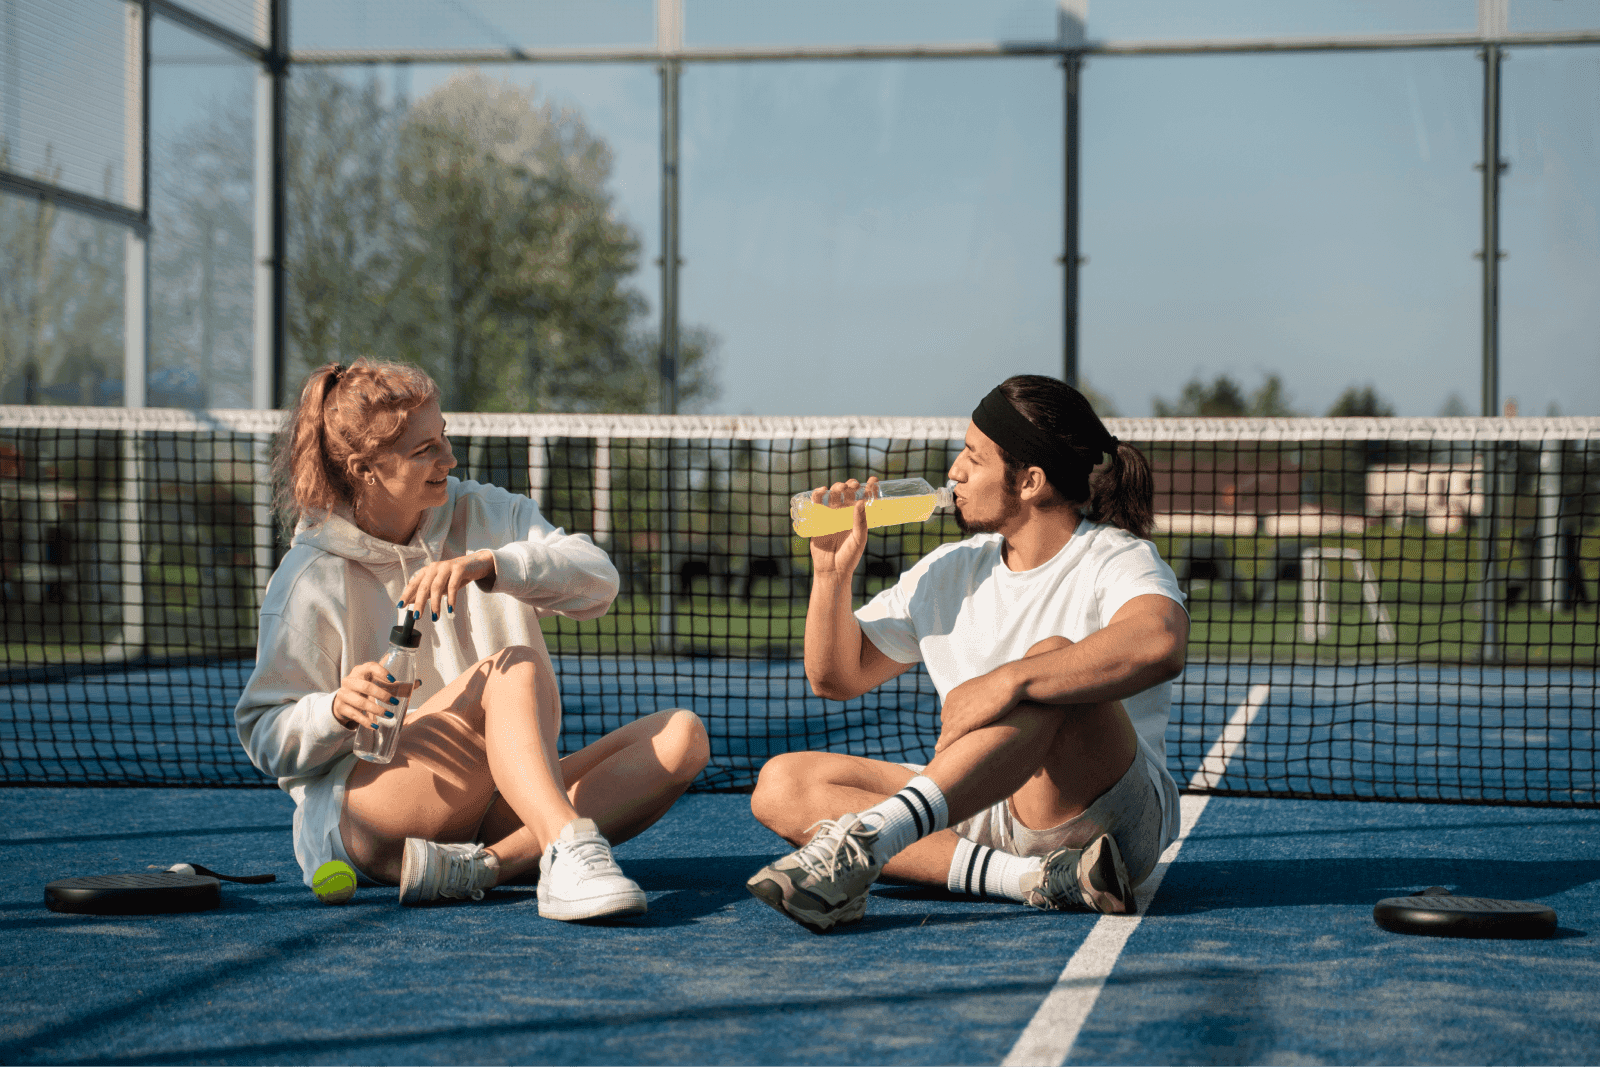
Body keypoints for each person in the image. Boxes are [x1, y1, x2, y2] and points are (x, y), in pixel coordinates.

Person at [236, 359, 709, 920]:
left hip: (497, 801)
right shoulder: (307, 579)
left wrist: (495, 564)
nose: (448, 459)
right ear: (365, 469)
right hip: (371, 815)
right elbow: (264, 734)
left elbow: (599, 582)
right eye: (423, 451)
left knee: (682, 737)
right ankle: (566, 846)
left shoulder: (486, 510)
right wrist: (335, 710)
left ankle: (483, 868)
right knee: (514, 668)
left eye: (445, 438)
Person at [746, 374, 1188, 932]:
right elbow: (836, 676)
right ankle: (1030, 880)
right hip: (986, 807)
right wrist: (832, 574)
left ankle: (869, 840)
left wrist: (1007, 681)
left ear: (1029, 481)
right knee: (782, 785)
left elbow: (1159, 641)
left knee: (1049, 662)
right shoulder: (948, 570)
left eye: (972, 457)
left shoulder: (1116, 558)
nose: (953, 471)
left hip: (1104, 816)